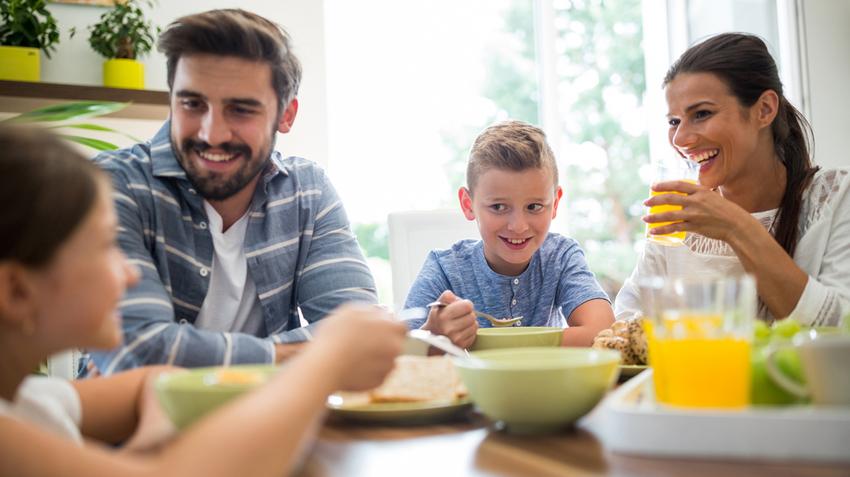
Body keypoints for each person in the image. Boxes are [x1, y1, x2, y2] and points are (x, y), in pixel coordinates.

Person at [0, 124, 407, 476]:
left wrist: (150, 441)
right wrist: (324, 359)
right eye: (107, 246)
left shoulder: (30, 402)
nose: (129, 271)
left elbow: (152, 380)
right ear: (17, 291)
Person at [89, 9, 377, 374]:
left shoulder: (308, 192)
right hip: (129, 429)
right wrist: (296, 355)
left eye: (240, 110)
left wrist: (184, 354)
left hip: (272, 421)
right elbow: (134, 352)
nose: (212, 134)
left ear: (286, 115)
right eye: (192, 104)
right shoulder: (111, 185)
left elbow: (357, 330)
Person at [615, 33, 850, 326]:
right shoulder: (679, 219)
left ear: (764, 109)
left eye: (701, 113)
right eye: (674, 121)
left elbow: (840, 332)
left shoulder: (836, 197)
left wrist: (736, 227)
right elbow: (626, 321)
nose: (681, 138)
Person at [403, 120, 614, 348]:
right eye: (498, 207)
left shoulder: (560, 256)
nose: (518, 226)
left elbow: (602, 333)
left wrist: (492, 345)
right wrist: (432, 336)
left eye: (534, 207)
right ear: (468, 204)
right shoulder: (444, 268)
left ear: (555, 203)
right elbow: (398, 353)